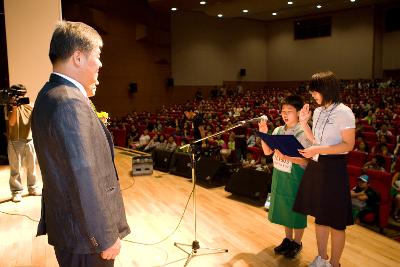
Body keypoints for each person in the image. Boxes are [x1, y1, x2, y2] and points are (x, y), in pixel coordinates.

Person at [31, 21, 130, 267]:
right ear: (78, 57)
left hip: (71, 228)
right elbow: (83, 177)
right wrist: (104, 237)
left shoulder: (49, 94)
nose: (100, 64)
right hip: (85, 236)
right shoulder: (69, 102)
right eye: (97, 56)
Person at [293, 71, 356, 267]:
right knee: (320, 218)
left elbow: (348, 145)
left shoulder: (344, 112)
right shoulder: (319, 111)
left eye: (315, 92)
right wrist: (304, 123)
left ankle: (334, 264)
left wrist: (318, 149)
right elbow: (315, 140)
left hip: (334, 169)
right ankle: (322, 259)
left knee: (336, 222)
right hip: (318, 166)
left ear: (326, 89)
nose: (312, 96)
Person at [259, 95, 311, 259]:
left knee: (296, 211)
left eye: (289, 111)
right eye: (283, 111)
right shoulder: (278, 130)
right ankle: (288, 240)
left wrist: (288, 157)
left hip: (297, 178)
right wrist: (263, 134)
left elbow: (307, 160)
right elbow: (267, 152)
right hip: (280, 176)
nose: (285, 114)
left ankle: (297, 242)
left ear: (298, 113)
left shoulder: (304, 133)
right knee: (284, 208)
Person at [6, 84, 40, 202]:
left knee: (32, 167)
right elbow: (11, 122)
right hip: (15, 140)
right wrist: (15, 107)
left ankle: (33, 188)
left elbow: (37, 115)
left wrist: (29, 105)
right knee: (16, 168)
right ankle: (16, 192)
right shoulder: (9, 106)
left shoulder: (29, 105)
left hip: (29, 139)